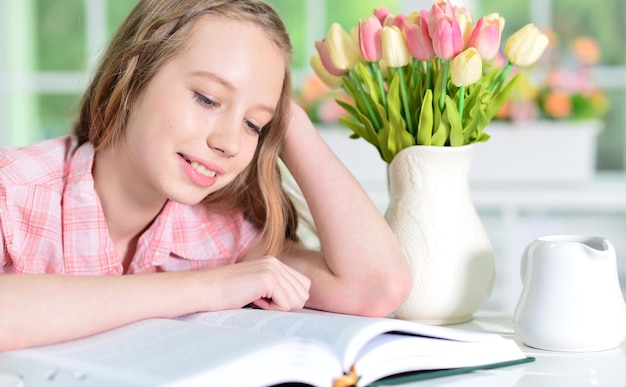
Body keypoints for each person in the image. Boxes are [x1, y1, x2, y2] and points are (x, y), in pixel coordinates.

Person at [0, 0, 411, 351]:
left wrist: (289, 121)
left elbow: (377, 286)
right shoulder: (14, 190)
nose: (230, 142)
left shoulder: (219, 233)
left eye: (254, 125)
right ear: (135, 74)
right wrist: (207, 287)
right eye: (207, 98)